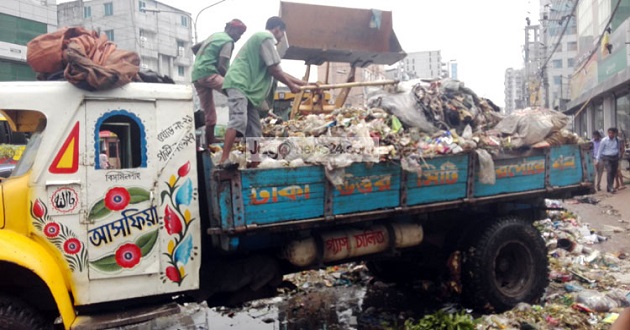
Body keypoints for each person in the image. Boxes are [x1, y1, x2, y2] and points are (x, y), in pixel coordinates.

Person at [218, 16, 306, 168]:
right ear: (277, 29)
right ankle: (224, 159)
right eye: (281, 34)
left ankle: (254, 161)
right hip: (240, 84)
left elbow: (279, 71)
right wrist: (292, 86)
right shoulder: (265, 37)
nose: (280, 39)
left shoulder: (262, 40)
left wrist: (304, 83)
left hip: (248, 90)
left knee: (254, 127)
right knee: (239, 119)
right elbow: (274, 70)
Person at [192, 19, 247, 146]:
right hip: (209, 73)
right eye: (238, 33)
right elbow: (222, 66)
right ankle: (239, 133)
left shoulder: (214, 36)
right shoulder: (228, 41)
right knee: (239, 95)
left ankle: (210, 141)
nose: (238, 37)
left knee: (209, 113)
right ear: (230, 29)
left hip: (197, 75)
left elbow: (194, 48)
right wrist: (233, 81)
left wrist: (204, 58)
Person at [596, 127, 621, 193]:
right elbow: (600, 150)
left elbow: (618, 148)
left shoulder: (617, 140)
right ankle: (611, 187)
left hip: (615, 158)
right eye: (609, 133)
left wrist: (618, 156)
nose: (611, 134)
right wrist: (597, 160)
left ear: (615, 133)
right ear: (608, 133)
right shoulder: (604, 140)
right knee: (609, 171)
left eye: (612, 133)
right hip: (606, 158)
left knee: (613, 172)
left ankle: (609, 187)